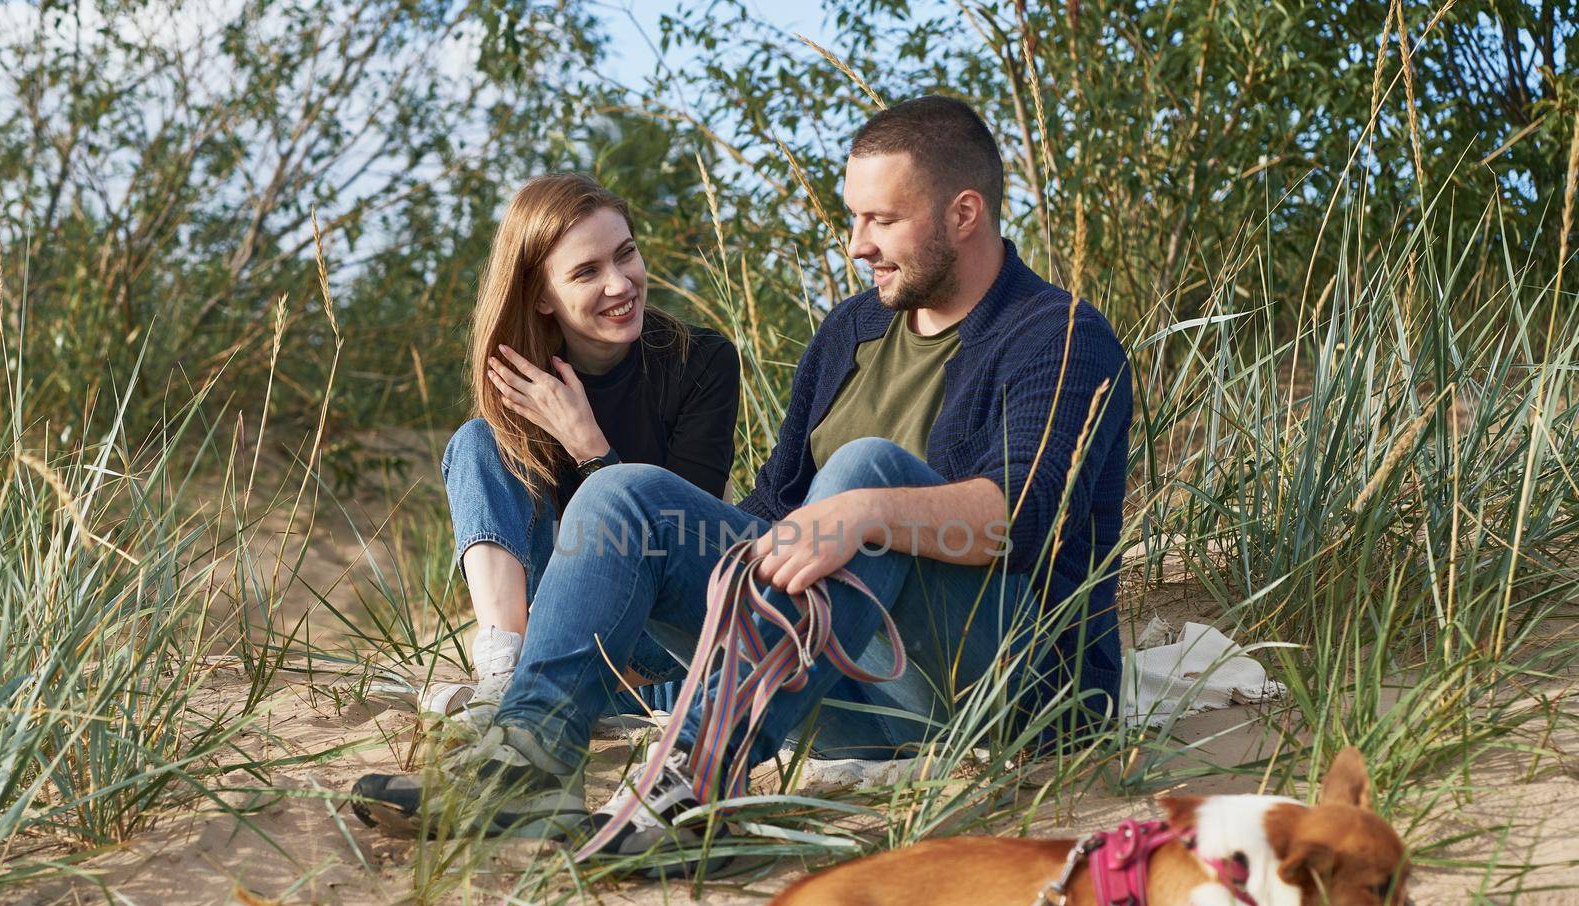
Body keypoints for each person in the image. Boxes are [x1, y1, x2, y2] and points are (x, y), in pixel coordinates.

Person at [351, 97, 1130, 852]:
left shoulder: (1059, 337)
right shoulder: (854, 329)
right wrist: (649, 579)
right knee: (624, 493)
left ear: (964, 214)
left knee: (867, 470)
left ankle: (691, 773)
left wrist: (864, 511)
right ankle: (524, 763)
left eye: (881, 220)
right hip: (836, 690)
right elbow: (769, 508)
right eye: (854, 217)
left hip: (995, 688)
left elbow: (1018, 520)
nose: (857, 244)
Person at [358, 174, 740, 834]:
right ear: (540, 295)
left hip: (657, 641)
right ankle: (504, 677)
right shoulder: (521, 382)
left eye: (626, 254)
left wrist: (589, 445)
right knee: (478, 441)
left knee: (630, 515)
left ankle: (528, 707)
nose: (620, 284)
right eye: (587, 271)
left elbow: (685, 536)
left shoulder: (700, 362)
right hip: (551, 629)